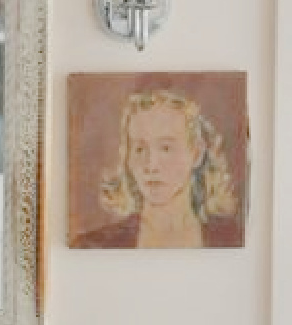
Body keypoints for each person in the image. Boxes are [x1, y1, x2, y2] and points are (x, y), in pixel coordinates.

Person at [72, 89, 242, 248]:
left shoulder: (232, 238)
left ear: (196, 154)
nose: (151, 165)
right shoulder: (95, 245)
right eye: (139, 149)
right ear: (127, 158)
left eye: (166, 148)